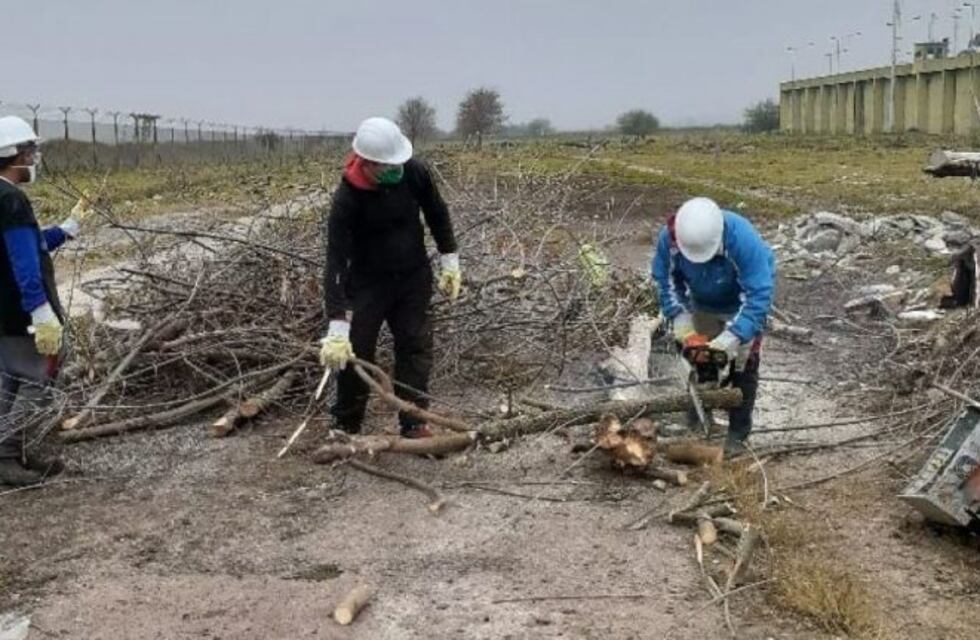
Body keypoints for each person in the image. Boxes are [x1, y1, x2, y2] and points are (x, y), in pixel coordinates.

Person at [319, 117, 460, 438]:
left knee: (415, 346)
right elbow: (336, 260)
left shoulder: (414, 171)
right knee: (356, 353)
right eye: (387, 166)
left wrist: (449, 258)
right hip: (367, 283)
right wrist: (337, 322)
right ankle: (346, 426)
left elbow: (437, 212)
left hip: (413, 277)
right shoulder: (347, 198)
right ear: (366, 163)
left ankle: (414, 422)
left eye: (398, 162)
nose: (396, 169)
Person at [0, 116, 91, 485]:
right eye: (28, 151)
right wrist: (39, 311)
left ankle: (13, 452)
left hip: (4, 311)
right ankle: (7, 456)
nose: (33, 158)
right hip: (21, 310)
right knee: (37, 380)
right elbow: (24, 261)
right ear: (11, 153)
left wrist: (65, 230)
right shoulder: (11, 200)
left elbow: (27, 244)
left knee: (9, 381)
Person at [652, 197, 775, 453]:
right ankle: (697, 420)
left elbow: (758, 294)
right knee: (700, 358)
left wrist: (734, 335)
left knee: (744, 364)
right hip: (702, 300)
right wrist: (680, 318)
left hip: (742, 301)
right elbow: (665, 281)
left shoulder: (742, 240)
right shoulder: (671, 240)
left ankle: (738, 433)